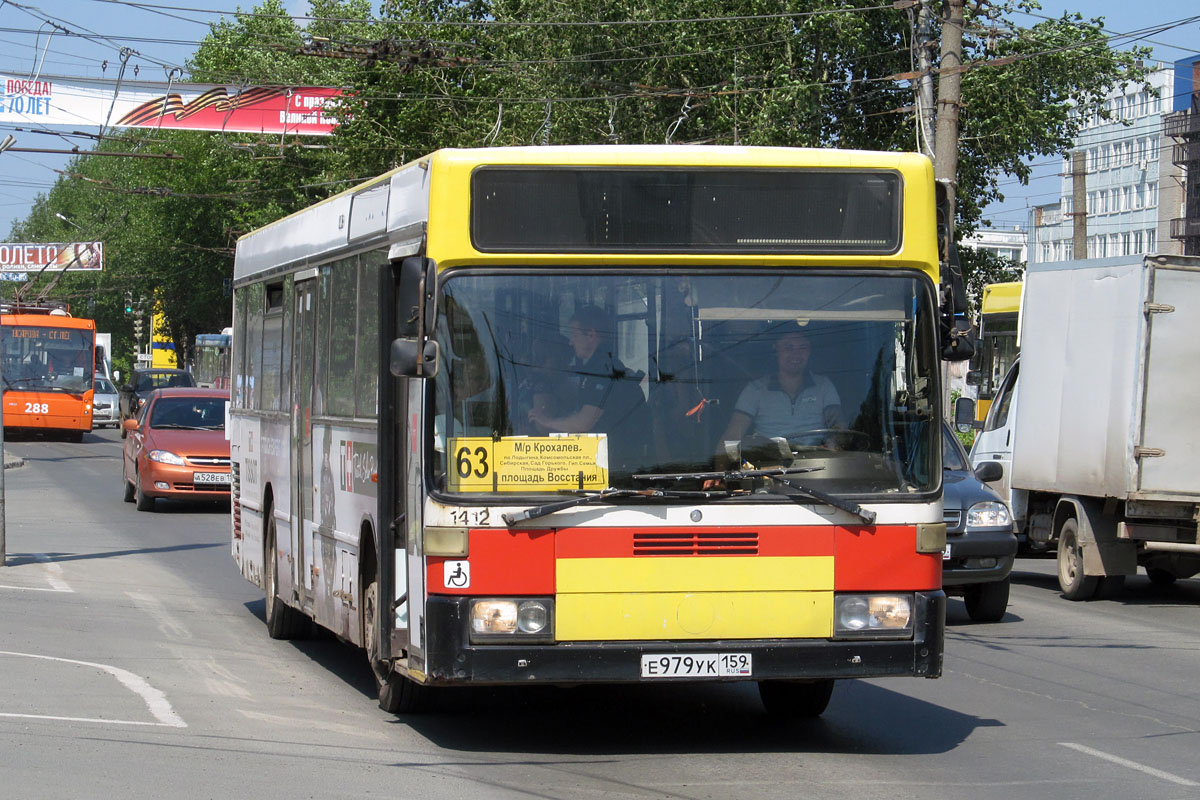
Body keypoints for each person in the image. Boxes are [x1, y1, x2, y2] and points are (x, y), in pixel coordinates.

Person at [715, 328, 844, 456]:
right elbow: (732, 436)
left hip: (817, 466)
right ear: (776, 349)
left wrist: (833, 447)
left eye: (803, 347)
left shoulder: (823, 386)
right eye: (789, 347)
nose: (796, 354)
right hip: (770, 468)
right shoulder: (755, 390)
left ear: (809, 351)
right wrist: (722, 468)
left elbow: (838, 427)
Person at [527, 306, 621, 435]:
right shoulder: (597, 366)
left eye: (575, 336)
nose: (571, 342)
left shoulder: (603, 369)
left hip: (621, 452)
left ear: (591, 335)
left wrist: (547, 421)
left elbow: (583, 423)